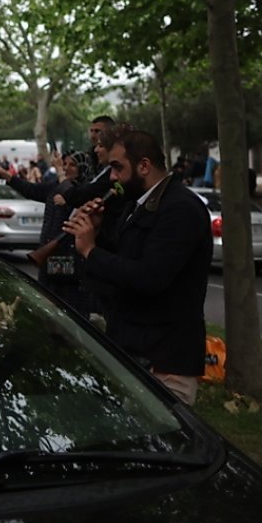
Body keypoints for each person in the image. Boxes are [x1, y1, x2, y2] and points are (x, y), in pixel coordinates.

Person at [63, 129, 212, 405]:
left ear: (144, 165)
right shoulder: (137, 205)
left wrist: (91, 251)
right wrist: (96, 234)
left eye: (117, 167)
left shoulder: (181, 209)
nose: (112, 177)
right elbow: (125, 261)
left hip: (163, 362)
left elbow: (150, 277)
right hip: (134, 352)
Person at [0, 150, 96, 316]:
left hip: (72, 260)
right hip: (49, 257)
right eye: (65, 164)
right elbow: (31, 190)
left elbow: (75, 200)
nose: (67, 168)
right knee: (47, 309)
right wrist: (8, 177)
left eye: (72, 165)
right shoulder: (56, 186)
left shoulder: (85, 192)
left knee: (72, 312)